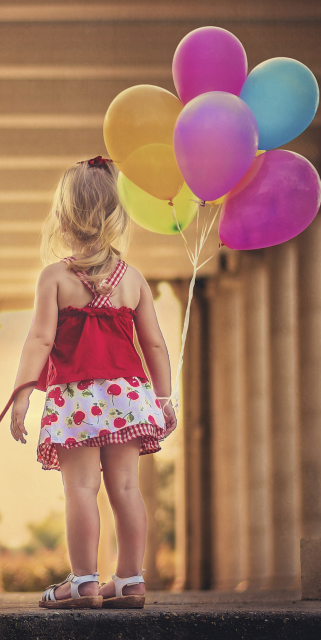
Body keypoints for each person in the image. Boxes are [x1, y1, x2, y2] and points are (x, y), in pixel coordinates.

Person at [0, 156, 176, 609]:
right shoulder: (133, 280)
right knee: (127, 488)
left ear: (62, 217)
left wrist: (21, 396)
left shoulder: (55, 278)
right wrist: (163, 398)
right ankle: (132, 579)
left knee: (81, 489)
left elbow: (40, 339)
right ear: (117, 217)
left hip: (77, 397)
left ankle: (82, 584)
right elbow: (154, 345)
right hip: (129, 396)